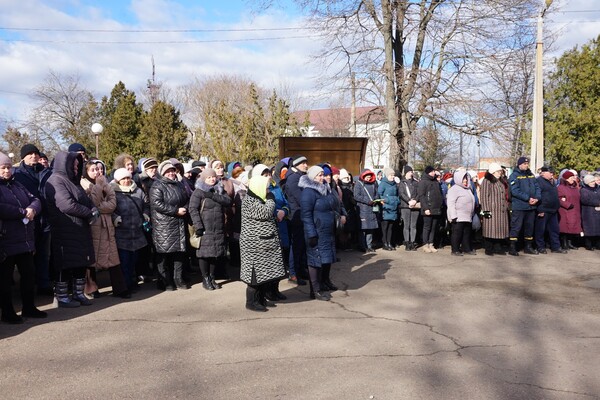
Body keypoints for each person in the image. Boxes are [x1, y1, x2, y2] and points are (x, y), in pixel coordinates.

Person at [45, 151, 97, 308]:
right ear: (64, 164)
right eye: (73, 165)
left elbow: (86, 200)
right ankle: (61, 296)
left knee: (80, 262)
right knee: (65, 264)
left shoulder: (73, 182)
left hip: (79, 230)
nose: (76, 167)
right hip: (64, 229)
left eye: (77, 165)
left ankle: (79, 293)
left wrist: (93, 208)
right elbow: (66, 205)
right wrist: (89, 213)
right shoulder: (55, 180)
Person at [0, 151, 46, 323]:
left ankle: (29, 307)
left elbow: (35, 199)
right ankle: (7, 312)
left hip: (25, 240)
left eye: (9, 167)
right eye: (3, 168)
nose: (7, 171)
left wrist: (32, 209)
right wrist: (22, 212)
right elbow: (2, 208)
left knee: (29, 275)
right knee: (5, 279)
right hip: (6, 241)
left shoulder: (18, 185)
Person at [81, 161, 130, 299]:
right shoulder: (84, 184)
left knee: (113, 256)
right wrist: (98, 186)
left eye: (99, 169)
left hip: (107, 225)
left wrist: (103, 189)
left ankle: (120, 288)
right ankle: (91, 287)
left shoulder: (104, 182)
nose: (97, 172)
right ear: (86, 171)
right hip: (93, 224)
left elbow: (113, 204)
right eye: (93, 169)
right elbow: (94, 203)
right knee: (93, 257)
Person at [239, 174, 287, 311]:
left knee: (262, 275)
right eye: (266, 188)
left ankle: (260, 299)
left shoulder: (259, 198)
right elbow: (265, 213)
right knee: (254, 276)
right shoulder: (249, 200)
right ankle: (251, 302)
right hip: (254, 245)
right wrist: (271, 200)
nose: (268, 191)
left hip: (263, 243)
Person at [13, 144, 53, 296]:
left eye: (35, 153)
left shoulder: (46, 172)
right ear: (23, 157)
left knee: (44, 254)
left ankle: (43, 284)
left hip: (45, 220)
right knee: (27, 256)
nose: (33, 156)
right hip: (27, 219)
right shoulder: (17, 174)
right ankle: (27, 287)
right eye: (29, 154)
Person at [300, 165, 342, 301]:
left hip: (327, 231)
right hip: (316, 231)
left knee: (325, 259)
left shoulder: (325, 189)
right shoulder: (308, 192)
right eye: (319, 175)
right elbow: (305, 215)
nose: (322, 177)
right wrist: (311, 233)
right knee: (314, 260)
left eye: (322, 174)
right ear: (312, 176)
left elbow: (334, 205)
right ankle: (315, 290)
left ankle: (323, 284)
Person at [149, 160, 190, 291]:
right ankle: (165, 280)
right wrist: (175, 211)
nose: (171, 173)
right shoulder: (157, 186)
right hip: (164, 226)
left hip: (179, 223)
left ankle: (178, 279)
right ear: (162, 173)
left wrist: (185, 208)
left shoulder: (178, 185)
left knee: (179, 253)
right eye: (168, 171)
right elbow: (157, 204)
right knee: (164, 254)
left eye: (172, 170)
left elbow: (186, 199)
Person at [189, 168, 232, 291]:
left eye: (213, 177)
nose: (212, 179)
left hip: (218, 227)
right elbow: (193, 209)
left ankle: (212, 277)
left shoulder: (219, 189)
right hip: (204, 228)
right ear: (203, 179)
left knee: (215, 254)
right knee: (204, 255)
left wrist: (213, 195)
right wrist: (199, 226)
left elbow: (228, 201)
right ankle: (205, 278)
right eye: (208, 177)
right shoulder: (198, 192)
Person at [111, 168, 150, 292]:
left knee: (134, 261)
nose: (127, 180)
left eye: (128, 178)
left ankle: (132, 282)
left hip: (137, 232)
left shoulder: (138, 191)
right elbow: (109, 209)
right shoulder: (113, 192)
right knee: (124, 262)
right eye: (123, 179)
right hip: (121, 233)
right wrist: (115, 218)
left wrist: (145, 214)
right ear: (118, 180)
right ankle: (125, 285)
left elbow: (146, 205)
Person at [283, 155, 309, 285]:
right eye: (303, 163)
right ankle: (293, 273)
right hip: (296, 216)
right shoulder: (293, 179)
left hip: (301, 215)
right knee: (297, 246)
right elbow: (301, 198)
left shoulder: (300, 177)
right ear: (296, 165)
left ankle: (300, 270)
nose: (306, 165)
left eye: (306, 163)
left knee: (302, 245)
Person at [508, 156, 541, 256]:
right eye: (524, 164)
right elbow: (515, 191)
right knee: (516, 227)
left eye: (527, 164)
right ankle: (513, 247)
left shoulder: (531, 175)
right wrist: (528, 198)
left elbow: (537, 187)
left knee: (529, 228)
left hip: (531, 207)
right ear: (519, 164)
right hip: (519, 206)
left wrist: (537, 198)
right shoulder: (514, 176)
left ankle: (528, 247)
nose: (526, 166)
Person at [479, 163, 510, 255]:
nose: (500, 173)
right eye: (498, 171)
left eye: (500, 171)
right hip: (491, 209)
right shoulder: (487, 181)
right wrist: (485, 211)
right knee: (490, 229)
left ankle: (498, 247)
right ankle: (488, 248)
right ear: (493, 172)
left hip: (501, 210)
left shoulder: (500, 181)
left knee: (499, 230)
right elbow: (484, 197)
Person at [534, 166, 566, 254]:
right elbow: (537, 196)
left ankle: (555, 246)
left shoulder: (553, 182)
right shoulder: (539, 182)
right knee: (540, 230)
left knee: (554, 230)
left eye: (552, 172)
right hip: (543, 209)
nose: (552, 174)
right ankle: (540, 247)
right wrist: (540, 209)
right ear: (543, 173)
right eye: (550, 172)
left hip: (553, 210)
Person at [446, 170, 476, 256]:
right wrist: (453, 215)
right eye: (463, 179)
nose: (466, 180)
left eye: (466, 178)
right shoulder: (454, 189)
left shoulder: (468, 189)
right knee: (457, 233)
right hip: (458, 216)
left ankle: (466, 248)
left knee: (466, 233)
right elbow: (451, 203)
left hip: (468, 216)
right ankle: (455, 249)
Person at [417, 166, 443, 253]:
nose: (433, 173)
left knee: (433, 227)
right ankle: (425, 244)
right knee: (427, 227)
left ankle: (431, 244)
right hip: (428, 208)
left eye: (434, 172)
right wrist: (426, 208)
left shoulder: (435, 181)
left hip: (436, 208)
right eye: (432, 172)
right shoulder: (423, 182)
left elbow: (439, 194)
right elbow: (422, 196)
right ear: (428, 172)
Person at [353, 169, 379, 253]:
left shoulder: (374, 183)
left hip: (372, 209)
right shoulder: (359, 184)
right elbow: (356, 196)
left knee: (370, 229)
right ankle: (363, 246)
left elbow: (377, 194)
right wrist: (367, 201)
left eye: (369, 177)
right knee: (363, 229)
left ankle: (369, 245)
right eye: (367, 177)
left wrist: (375, 200)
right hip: (363, 209)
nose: (368, 178)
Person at [558, 170, 582, 250]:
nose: (573, 179)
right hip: (566, 210)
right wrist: (567, 205)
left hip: (575, 210)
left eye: (573, 177)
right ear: (566, 179)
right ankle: (564, 243)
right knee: (565, 228)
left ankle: (570, 243)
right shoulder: (561, 187)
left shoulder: (575, 188)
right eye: (571, 177)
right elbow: (559, 199)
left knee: (573, 227)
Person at [398, 165, 420, 251]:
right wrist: (408, 201)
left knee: (413, 225)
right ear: (406, 172)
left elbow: (419, 193)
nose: (412, 173)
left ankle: (413, 242)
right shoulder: (402, 183)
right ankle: (407, 242)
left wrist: (415, 200)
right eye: (410, 171)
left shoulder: (416, 183)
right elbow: (401, 193)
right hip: (405, 206)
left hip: (415, 206)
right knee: (406, 225)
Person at [377, 167, 399, 250]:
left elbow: (397, 195)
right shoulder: (383, 184)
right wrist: (387, 200)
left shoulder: (394, 184)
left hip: (393, 208)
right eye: (391, 175)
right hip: (386, 208)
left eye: (393, 175)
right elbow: (379, 195)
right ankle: (384, 243)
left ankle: (389, 242)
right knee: (385, 227)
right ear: (387, 175)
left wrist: (396, 201)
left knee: (390, 227)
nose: (393, 176)